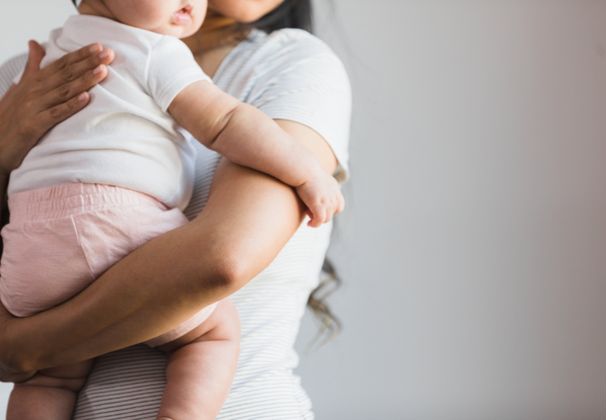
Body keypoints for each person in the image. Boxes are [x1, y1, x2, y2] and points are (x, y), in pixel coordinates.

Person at [0, 0, 351, 418]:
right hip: (111, 228)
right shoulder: (36, 83)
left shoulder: (289, 63)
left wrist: (25, 346)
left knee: (49, 379)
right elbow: (223, 126)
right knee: (214, 335)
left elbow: (222, 259)